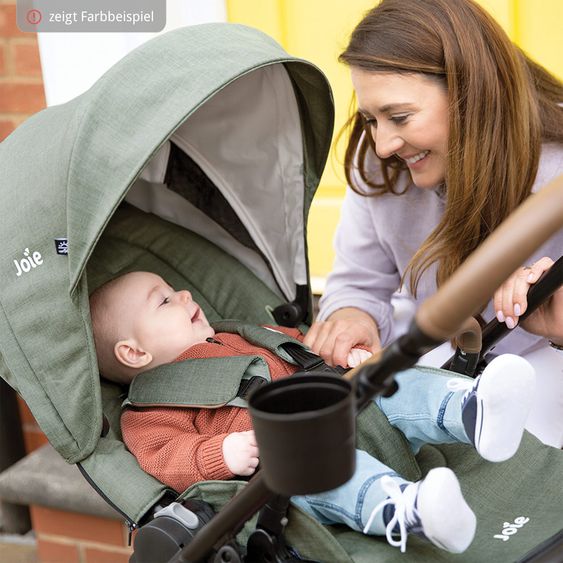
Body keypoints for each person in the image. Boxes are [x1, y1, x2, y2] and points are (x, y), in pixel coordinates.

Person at [90, 271, 537, 554]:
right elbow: (164, 456)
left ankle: (470, 410)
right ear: (132, 352)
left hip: (345, 404)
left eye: (174, 289)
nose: (184, 293)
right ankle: (409, 509)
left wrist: (352, 357)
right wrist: (219, 454)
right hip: (291, 466)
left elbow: (307, 346)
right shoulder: (149, 408)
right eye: (164, 300)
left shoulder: (244, 333)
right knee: (326, 476)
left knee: (395, 379)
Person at [303, 0, 563, 446]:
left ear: (471, 93)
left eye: (399, 117)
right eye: (371, 119)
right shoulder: (380, 166)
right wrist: (352, 317)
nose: (382, 144)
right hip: (435, 368)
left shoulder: (555, 170)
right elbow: (358, 283)